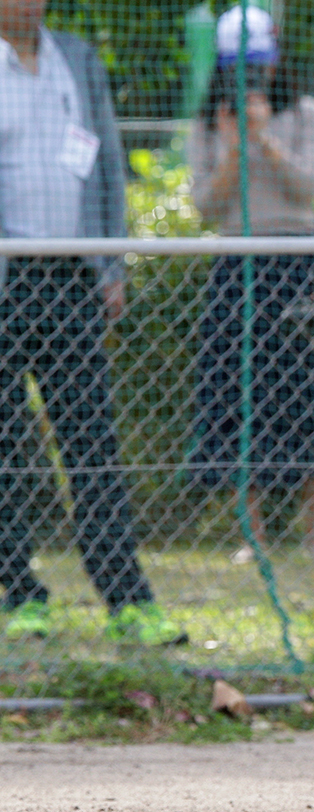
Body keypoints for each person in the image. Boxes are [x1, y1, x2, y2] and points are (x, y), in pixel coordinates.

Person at [0, 0, 187, 644]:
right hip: (4, 279)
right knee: (4, 445)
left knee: (92, 441)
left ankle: (127, 601)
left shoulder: (75, 58)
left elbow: (105, 162)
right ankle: (19, 593)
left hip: (73, 282)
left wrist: (111, 264)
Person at [187, 5, 314, 563]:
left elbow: (309, 188)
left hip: (299, 261)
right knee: (237, 391)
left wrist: (266, 139)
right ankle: (251, 536)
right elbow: (205, 206)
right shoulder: (208, 123)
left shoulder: (306, 111)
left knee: (312, 389)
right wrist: (234, 148)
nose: (252, 78)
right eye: (241, 68)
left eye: (259, 66)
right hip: (238, 264)